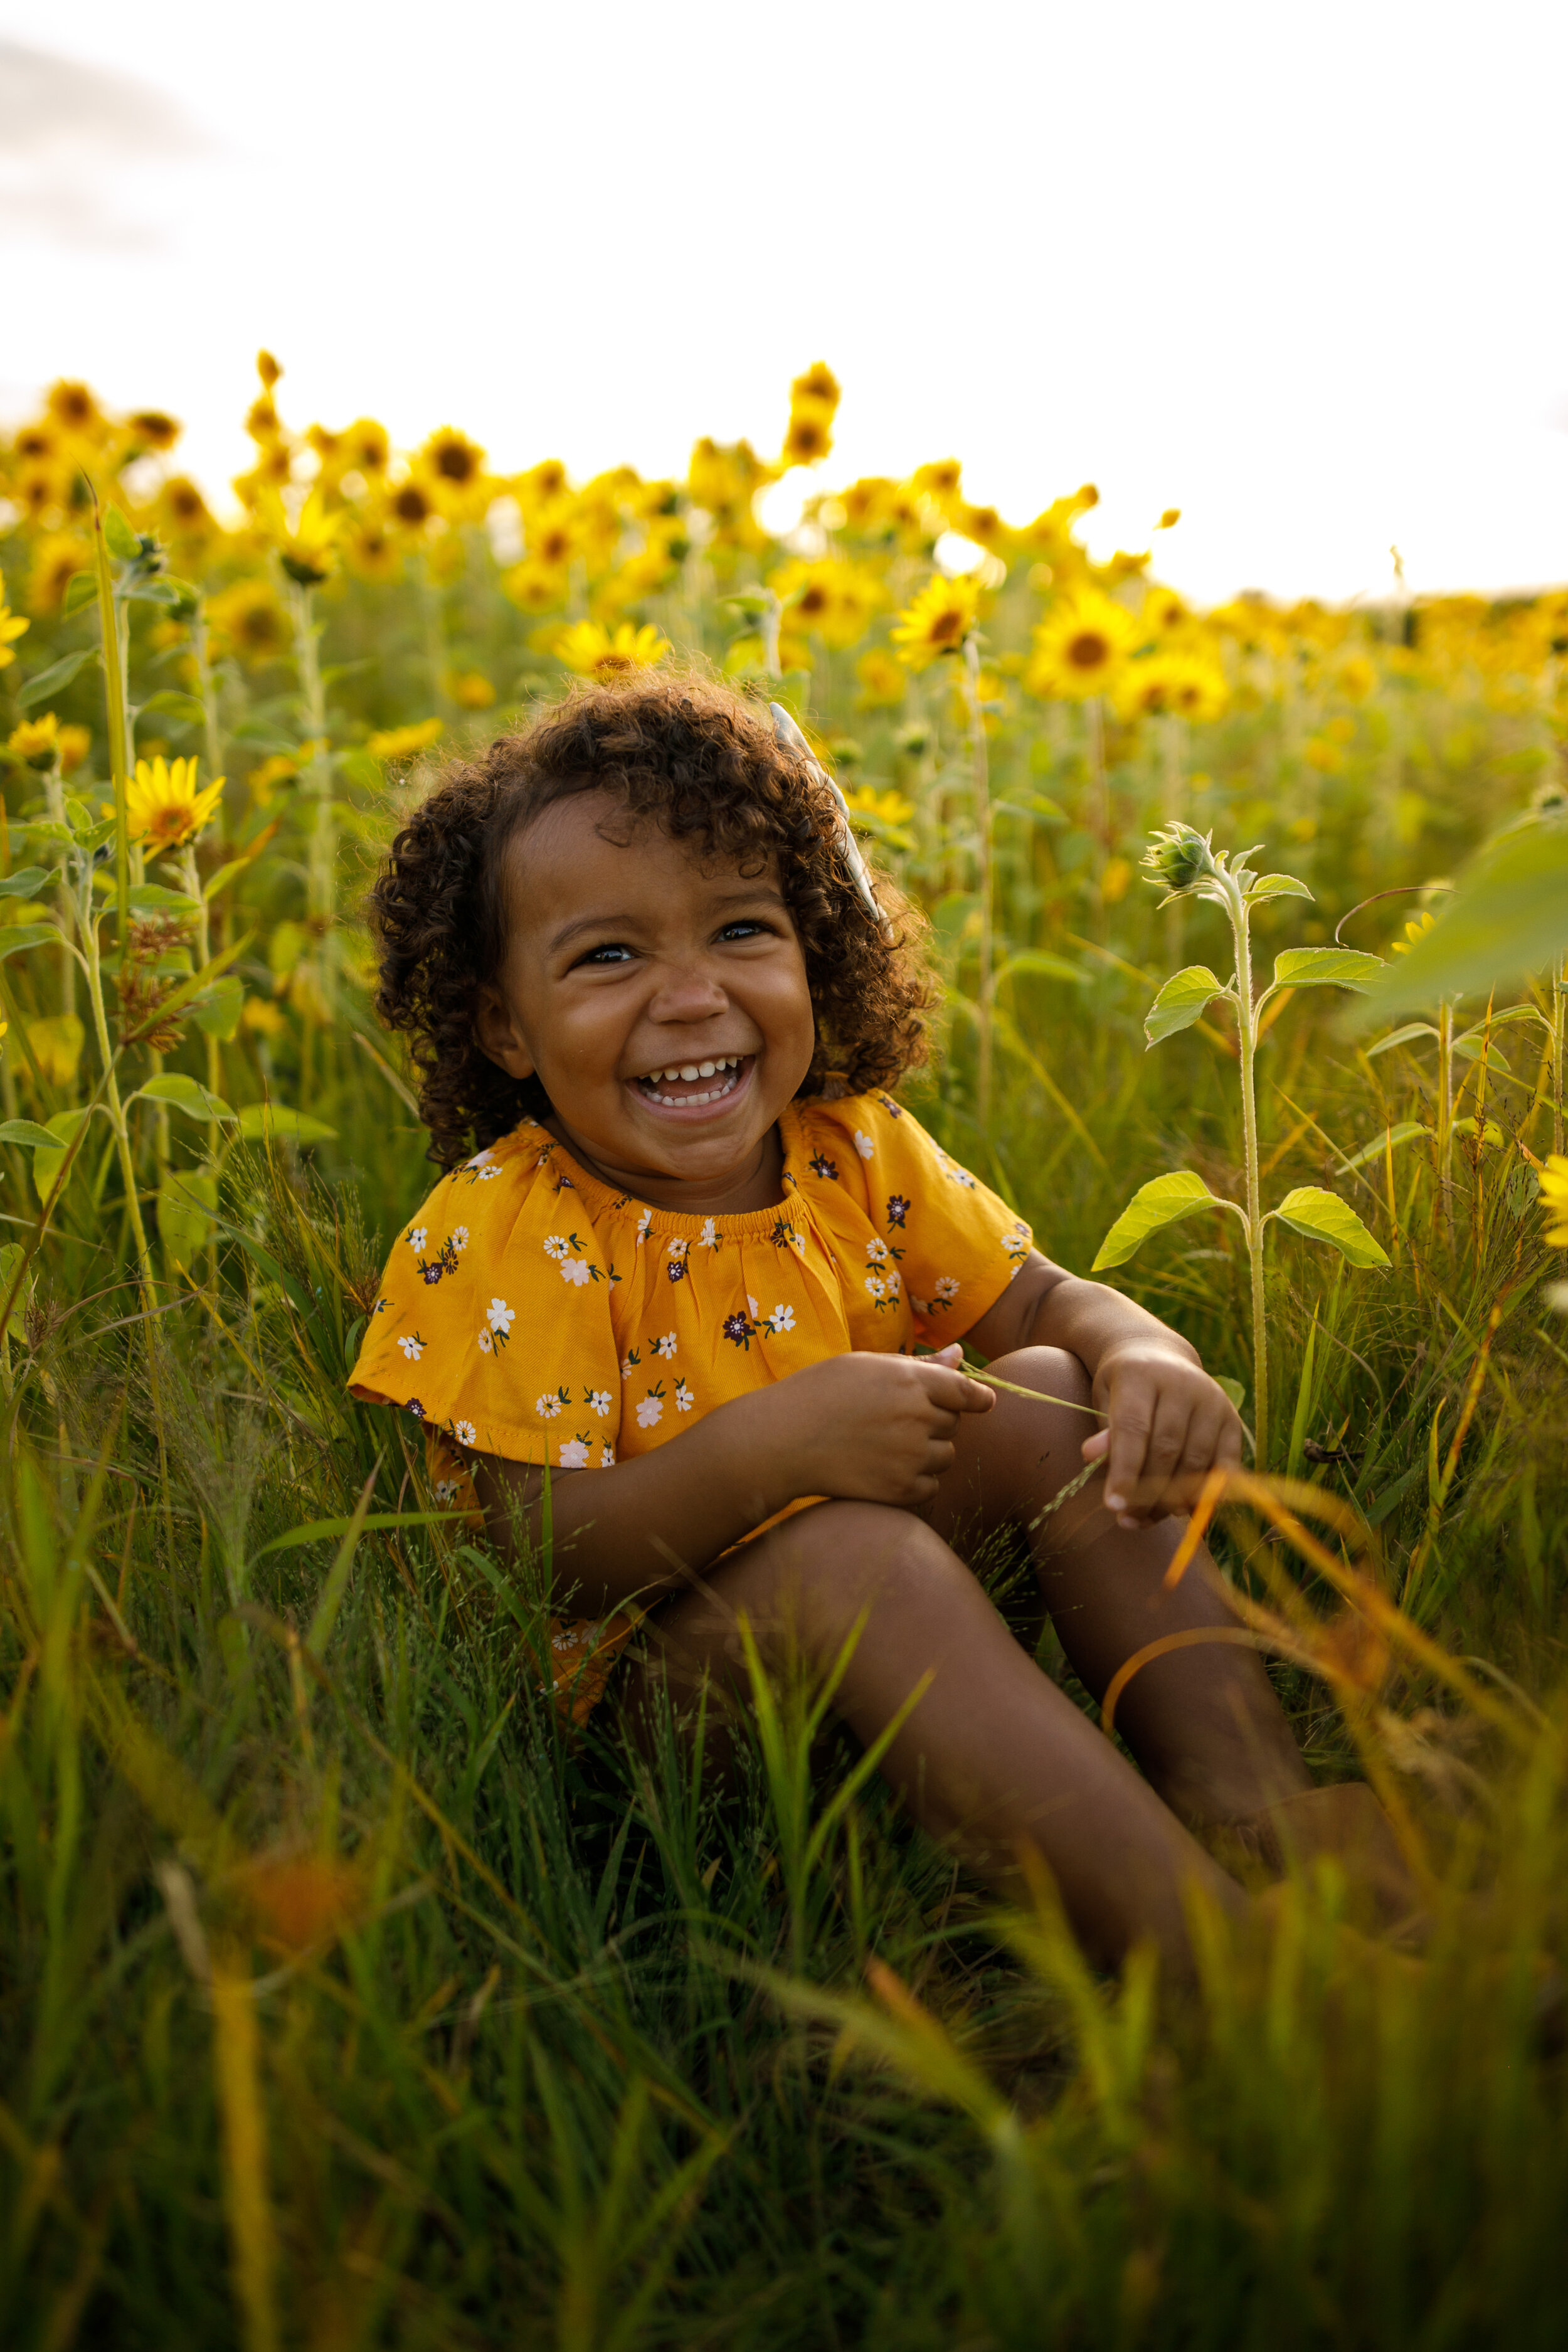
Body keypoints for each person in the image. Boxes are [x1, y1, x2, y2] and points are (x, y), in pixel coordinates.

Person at [349, 669, 1401, 1980]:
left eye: (740, 930)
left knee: (1048, 1396)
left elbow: (1041, 1300)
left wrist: (1141, 1350)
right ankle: (1220, 1970)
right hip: (669, 1722)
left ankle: (1249, 1811)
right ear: (503, 1021)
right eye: (608, 955)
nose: (690, 996)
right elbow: (530, 1560)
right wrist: (769, 1456)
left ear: (814, 946)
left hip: (898, 1634)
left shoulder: (847, 1150)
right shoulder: (509, 1227)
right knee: (850, 1558)